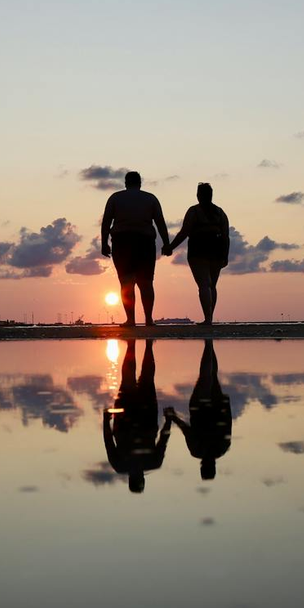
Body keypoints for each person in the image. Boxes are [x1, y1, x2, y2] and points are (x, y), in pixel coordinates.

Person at [101, 171, 171, 327]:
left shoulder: (115, 198)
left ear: (126, 183)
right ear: (140, 183)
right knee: (146, 282)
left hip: (122, 242)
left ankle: (131, 320)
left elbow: (106, 222)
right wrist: (166, 243)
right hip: (144, 242)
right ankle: (148, 319)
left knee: (126, 283)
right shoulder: (150, 198)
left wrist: (104, 243)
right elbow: (160, 223)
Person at [102, 339, 171, 494]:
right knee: (128, 379)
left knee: (147, 377)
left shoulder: (154, 463)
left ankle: (147, 345)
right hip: (126, 421)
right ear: (130, 481)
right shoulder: (119, 466)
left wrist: (169, 420)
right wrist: (106, 421)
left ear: (142, 480)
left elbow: (164, 439)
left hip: (146, 419)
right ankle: (131, 345)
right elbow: (108, 441)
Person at [164, 182, 230, 326]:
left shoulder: (194, 211)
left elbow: (184, 232)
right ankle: (209, 318)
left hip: (198, 251)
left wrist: (170, 247)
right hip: (217, 251)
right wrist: (225, 255)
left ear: (198, 195)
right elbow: (226, 236)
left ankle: (208, 319)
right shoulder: (220, 212)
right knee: (212, 285)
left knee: (204, 285)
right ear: (211, 195)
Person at [164, 340, 232, 481]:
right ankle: (208, 343)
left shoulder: (222, 448)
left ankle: (210, 343)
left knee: (211, 375)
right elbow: (187, 431)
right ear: (202, 467)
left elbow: (227, 424)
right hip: (200, 407)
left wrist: (226, 405)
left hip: (215, 406)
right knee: (207, 375)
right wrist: (173, 417)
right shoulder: (198, 450)